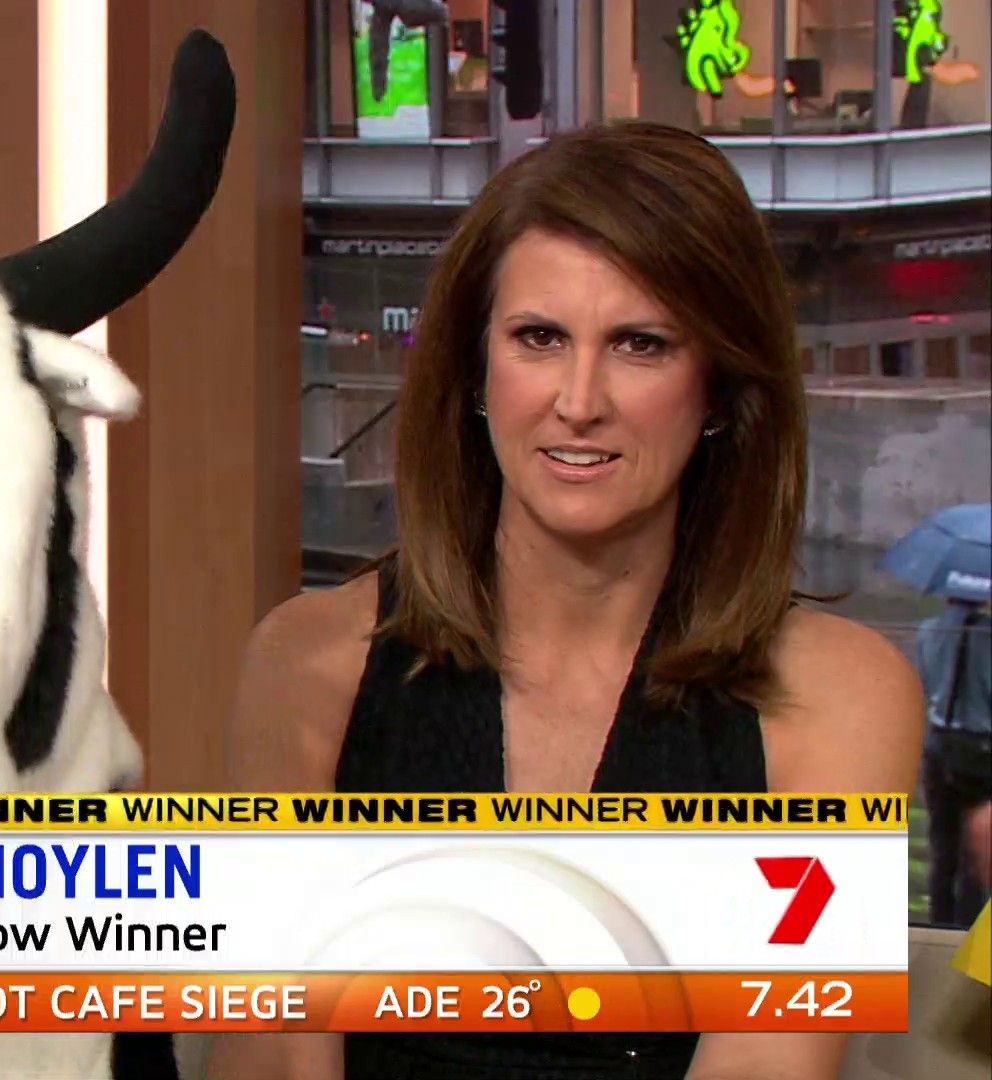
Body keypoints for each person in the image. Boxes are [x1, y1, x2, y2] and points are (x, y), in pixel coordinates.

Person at [210, 122, 922, 1080]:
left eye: (641, 344)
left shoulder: (841, 699)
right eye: (539, 339)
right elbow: (273, 1059)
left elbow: (767, 1065)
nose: (580, 401)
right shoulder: (310, 668)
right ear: (476, 369)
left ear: (719, 388)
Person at [915, 598, 992, 927]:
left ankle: (939, 924)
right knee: (977, 852)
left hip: (939, 747)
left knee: (942, 847)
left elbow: (925, 685)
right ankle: (966, 928)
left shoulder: (929, 631)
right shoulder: (987, 637)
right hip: (982, 752)